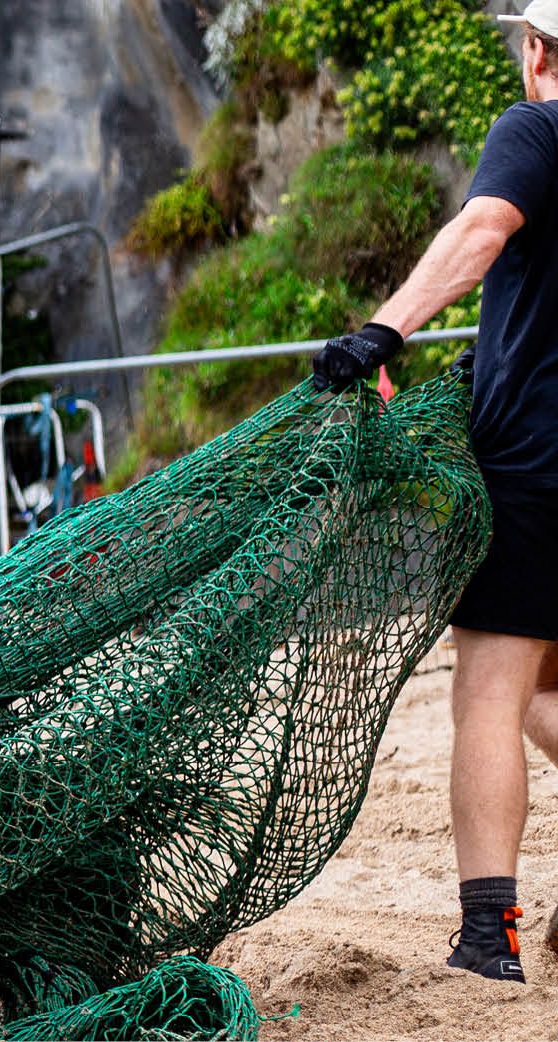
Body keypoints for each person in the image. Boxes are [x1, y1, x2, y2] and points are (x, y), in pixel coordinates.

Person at [307, 2, 558, 983]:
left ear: (537, 51)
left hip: (537, 462)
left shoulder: (536, 127)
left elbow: (484, 228)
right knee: (545, 687)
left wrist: (384, 330)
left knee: (491, 690)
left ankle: (489, 936)